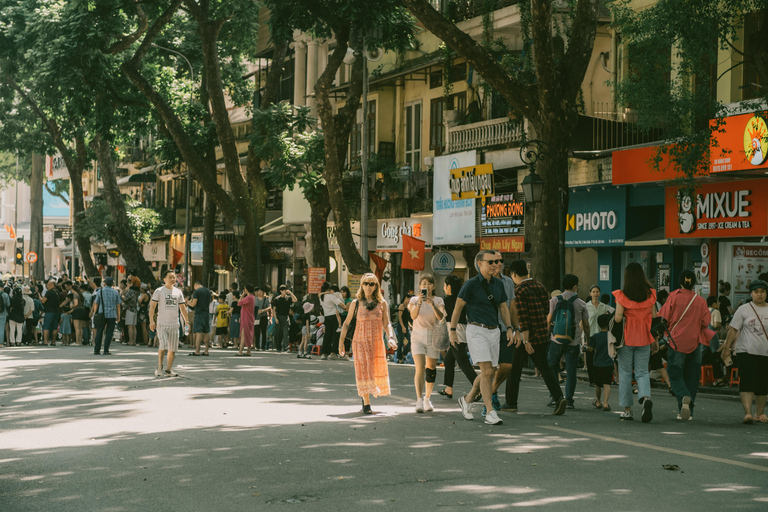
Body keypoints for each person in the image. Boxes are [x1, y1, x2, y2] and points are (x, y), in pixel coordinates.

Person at [450, 250, 516, 425]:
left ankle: (467, 399)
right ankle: (489, 412)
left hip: (494, 330)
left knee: (491, 372)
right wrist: (452, 330)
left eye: (498, 261)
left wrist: (509, 328)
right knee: (487, 371)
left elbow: (503, 307)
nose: (496, 264)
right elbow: (457, 308)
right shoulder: (470, 285)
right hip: (476, 329)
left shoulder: (499, 284)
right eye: (491, 262)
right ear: (479, 263)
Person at [506, 259, 568, 416]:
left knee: (514, 369)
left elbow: (523, 317)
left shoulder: (519, 291)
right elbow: (546, 309)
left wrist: (526, 340)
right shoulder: (540, 286)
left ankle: (511, 402)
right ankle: (559, 397)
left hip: (526, 337)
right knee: (545, 368)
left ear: (513, 274)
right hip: (542, 334)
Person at [338, 273, 397, 414]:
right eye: (365, 283)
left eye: (372, 283)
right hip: (360, 342)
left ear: (376, 286)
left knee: (373, 371)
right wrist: (341, 342)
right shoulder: (355, 303)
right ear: (361, 285)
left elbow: (387, 323)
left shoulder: (382, 303)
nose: (368, 286)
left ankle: (366, 397)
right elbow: (346, 324)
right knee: (363, 371)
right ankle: (366, 402)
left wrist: (390, 337)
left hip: (376, 342)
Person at [659, 270, 711, 421]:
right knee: (692, 377)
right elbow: (706, 323)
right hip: (695, 342)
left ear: (681, 282)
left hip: (676, 342)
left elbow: (664, 318)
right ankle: (687, 413)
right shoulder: (700, 300)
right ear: (694, 282)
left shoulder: (673, 297)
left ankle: (684, 398)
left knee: (675, 375)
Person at [613, 262, 658, 422]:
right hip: (645, 338)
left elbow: (618, 318)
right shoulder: (651, 294)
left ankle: (627, 410)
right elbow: (654, 317)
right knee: (642, 372)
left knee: (625, 373)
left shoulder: (622, 295)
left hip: (626, 339)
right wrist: (655, 339)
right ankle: (646, 398)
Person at [721, 279, 768, 424]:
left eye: (762, 292)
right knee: (747, 381)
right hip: (745, 351)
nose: (759, 295)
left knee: (762, 383)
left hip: (765, 352)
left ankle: (759, 413)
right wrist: (727, 348)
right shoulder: (744, 309)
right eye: (756, 292)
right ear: (751, 293)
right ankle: (748, 413)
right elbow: (734, 329)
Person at [546, 274, 590, 409]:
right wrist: (587, 340)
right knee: (571, 372)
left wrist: (548, 334)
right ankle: (569, 400)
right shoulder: (581, 303)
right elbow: (586, 325)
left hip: (556, 340)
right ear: (575, 286)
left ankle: (556, 397)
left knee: (552, 367)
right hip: (573, 341)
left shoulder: (554, 300)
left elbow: (549, 319)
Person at [408, 273, 447, 413]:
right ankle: (419, 399)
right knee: (419, 368)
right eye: (423, 284)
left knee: (431, 369)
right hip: (417, 336)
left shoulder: (438, 300)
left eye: (429, 284)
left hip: (432, 336)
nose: (426, 286)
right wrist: (419, 302)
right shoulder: (413, 300)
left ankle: (427, 398)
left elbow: (440, 317)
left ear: (433, 286)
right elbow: (413, 316)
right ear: (420, 286)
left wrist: (432, 304)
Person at [487, 260, 519, 414]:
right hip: (487, 328)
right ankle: (486, 403)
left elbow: (512, 307)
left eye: (500, 261)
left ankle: (492, 390)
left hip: (505, 328)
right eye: (494, 261)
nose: (498, 264)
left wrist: (516, 329)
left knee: (507, 365)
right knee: (490, 368)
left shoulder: (508, 282)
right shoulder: (483, 280)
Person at [439, 276, 476, 399]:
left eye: (444, 286)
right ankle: (448, 388)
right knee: (449, 360)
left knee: (463, 363)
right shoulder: (461, 299)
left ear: (449, 287)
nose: (444, 288)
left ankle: (480, 388)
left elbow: (441, 316)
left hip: (455, 333)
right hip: (463, 330)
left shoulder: (447, 300)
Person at [149, 270, 189, 377]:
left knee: (172, 348)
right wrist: (151, 321)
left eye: (174, 277)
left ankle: (169, 369)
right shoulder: (159, 291)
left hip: (174, 324)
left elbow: (183, 308)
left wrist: (187, 321)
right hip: (162, 323)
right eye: (170, 277)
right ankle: (160, 366)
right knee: (163, 345)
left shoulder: (178, 292)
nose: (173, 279)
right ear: (164, 279)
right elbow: (152, 307)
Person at [586, 285, 613, 385]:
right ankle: (591, 380)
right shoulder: (586, 306)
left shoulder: (604, 306)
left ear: (599, 293)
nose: (595, 294)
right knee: (590, 357)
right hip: (591, 334)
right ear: (590, 293)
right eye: (593, 292)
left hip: (601, 335)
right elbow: (583, 322)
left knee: (600, 357)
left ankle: (599, 379)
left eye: (597, 292)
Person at [588, 313, 614, 411]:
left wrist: (585, 347)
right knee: (607, 383)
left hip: (597, 363)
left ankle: (598, 401)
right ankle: (606, 403)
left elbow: (590, 349)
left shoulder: (595, 336)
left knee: (598, 384)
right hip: (608, 363)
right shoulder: (611, 336)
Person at [92, 277, 122, 355]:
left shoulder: (100, 291)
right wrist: (118, 315)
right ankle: (106, 350)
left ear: (104, 283)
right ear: (112, 284)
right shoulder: (115, 292)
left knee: (99, 331)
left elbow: (96, 303)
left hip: (102, 314)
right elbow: (118, 305)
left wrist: (95, 313)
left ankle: (97, 350)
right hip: (112, 315)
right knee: (109, 332)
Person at [319, 281, 344, 360]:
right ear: (329, 289)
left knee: (327, 335)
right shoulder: (331, 296)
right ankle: (333, 352)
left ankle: (324, 353)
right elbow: (341, 304)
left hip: (327, 317)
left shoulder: (321, 297)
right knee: (336, 335)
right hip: (334, 316)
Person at [187, 281, 212, 356]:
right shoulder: (208, 291)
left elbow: (194, 303)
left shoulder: (196, 292)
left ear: (196, 284)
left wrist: (188, 303)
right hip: (207, 313)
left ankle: (197, 350)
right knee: (206, 331)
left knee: (199, 332)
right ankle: (206, 351)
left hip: (199, 313)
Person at [272, 285, 297, 352]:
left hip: (286, 317)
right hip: (279, 317)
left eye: (286, 290)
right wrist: (275, 318)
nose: (285, 291)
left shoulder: (288, 298)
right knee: (278, 333)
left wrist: (291, 293)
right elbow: (274, 309)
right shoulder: (277, 299)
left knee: (286, 333)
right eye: (284, 290)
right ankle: (278, 347)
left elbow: (295, 300)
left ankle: (286, 347)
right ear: (281, 291)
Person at [41, 280, 61, 346]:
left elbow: (43, 301)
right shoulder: (57, 291)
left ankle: (46, 341)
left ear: (52, 285)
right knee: (55, 326)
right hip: (56, 311)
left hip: (49, 311)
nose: (47, 286)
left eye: (48, 285)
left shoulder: (49, 292)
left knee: (46, 326)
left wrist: (39, 297)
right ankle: (53, 341)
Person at [121, 277, 141, 346]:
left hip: (129, 309)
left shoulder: (130, 291)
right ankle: (134, 341)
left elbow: (125, 299)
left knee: (130, 326)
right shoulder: (136, 291)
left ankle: (131, 341)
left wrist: (122, 295)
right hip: (135, 309)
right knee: (134, 326)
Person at [238, 284, 256, 355]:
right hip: (248, 317)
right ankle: (248, 351)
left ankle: (240, 351)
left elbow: (239, 303)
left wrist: (242, 295)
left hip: (246, 317)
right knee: (248, 333)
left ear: (246, 289)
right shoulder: (252, 297)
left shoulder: (249, 297)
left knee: (243, 334)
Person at [395, 293, 412, 363]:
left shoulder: (408, 307)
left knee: (410, 341)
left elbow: (407, 319)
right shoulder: (402, 306)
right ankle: (399, 358)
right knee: (401, 342)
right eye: (408, 299)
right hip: (401, 326)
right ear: (405, 298)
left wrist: (410, 325)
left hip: (406, 325)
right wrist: (402, 326)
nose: (408, 300)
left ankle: (404, 354)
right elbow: (400, 317)